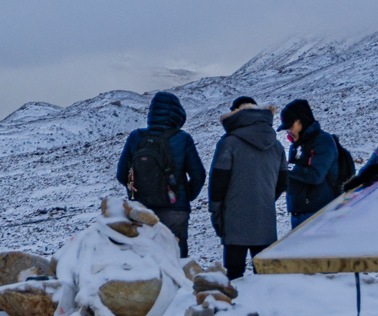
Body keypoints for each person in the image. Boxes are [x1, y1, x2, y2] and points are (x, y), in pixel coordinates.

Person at [114, 90, 206, 256]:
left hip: (142, 211)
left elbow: (122, 174)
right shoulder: (183, 138)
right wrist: (184, 196)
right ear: (177, 114)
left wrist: (137, 192)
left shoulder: (136, 137)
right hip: (175, 210)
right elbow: (198, 175)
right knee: (176, 259)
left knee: (145, 259)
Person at [207, 97, 285, 279]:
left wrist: (216, 213)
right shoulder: (276, 145)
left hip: (234, 221)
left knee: (234, 276)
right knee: (265, 275)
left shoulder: (229, 143)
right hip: (265, 219)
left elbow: (218, 183)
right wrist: (265, 197)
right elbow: (283, 182)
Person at [281, 99, 341, 228]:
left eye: (290, 126)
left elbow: (316, 176)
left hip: (319, 214)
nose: (288, 131)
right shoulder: (296, 145)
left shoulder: (323, 141)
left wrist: (287, 167)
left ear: (301, 121)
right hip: (299, 213)